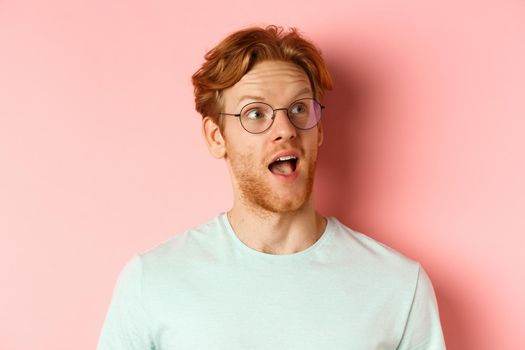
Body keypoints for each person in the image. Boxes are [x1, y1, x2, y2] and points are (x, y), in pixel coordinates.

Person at [97, 25, 446, 349]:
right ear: (217, 137)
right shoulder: (153, 281)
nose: (285, 129)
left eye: (298, 109)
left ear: (319, 130)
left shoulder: (398, 286)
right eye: (255, 114)